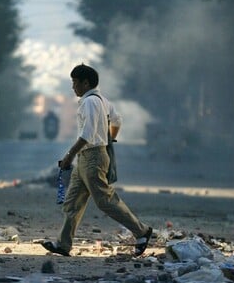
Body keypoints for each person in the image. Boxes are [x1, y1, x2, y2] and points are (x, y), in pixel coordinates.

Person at [41, 64, 152, 257]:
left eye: (75, 83)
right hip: (85, 158)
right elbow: (117, 120)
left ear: (86, 83)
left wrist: (69, 156)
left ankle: (141, 231)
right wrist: (110, 138)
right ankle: (63, 244)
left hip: (93, 157)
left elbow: (86, 135)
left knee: (105, 201)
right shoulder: (102, 100)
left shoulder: (90, 102)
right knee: (72, 202)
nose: (73, 87)